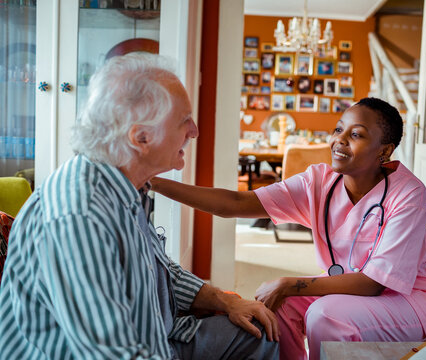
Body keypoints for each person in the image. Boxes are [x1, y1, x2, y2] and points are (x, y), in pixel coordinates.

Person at [0, 53, 279, 360]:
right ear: (141, 137)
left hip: (158, 336)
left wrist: (224, 300)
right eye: (184, 120)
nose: (194, 131)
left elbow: (156, 268)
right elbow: (113, 353)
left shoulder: (128, 186)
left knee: (260, 333)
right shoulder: (80, 217)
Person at [149, 98, 426, 360]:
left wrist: (287, 282)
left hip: (411, 299)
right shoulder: (318, 181)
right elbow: (235, 204)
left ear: (384, 151)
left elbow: (375, 283)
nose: (340, 140)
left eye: (357, 135)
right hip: (351, 289)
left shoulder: (408, 193)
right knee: (280, 304)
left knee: (325, 316)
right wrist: (153, 180)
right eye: (338, 129)